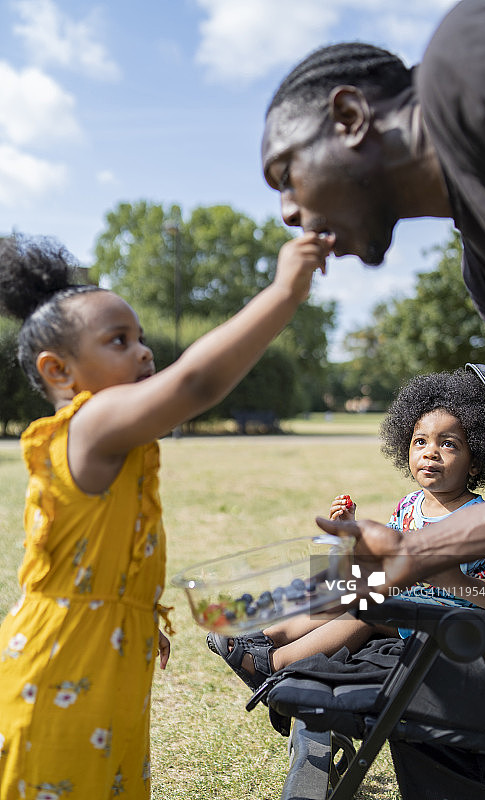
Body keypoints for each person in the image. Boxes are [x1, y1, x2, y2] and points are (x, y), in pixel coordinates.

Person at [0, 230, 332, 798]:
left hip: (107, 662)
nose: (145, 351)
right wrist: (284, 292)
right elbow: (196, 381)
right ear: (59, 372)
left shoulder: (115, 443)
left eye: (142, 337)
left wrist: (137, 614)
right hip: (61, 670)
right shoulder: (90, 425)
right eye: (119, 340)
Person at [260, 0, 485, 594]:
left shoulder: (474, 63)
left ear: (351, 116)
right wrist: (418, 549)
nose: (286, 212)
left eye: (286, 173)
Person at [206, 370, 485, 691]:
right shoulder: (408, 507)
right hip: (406, 605)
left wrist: (457, 581)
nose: (430, 452)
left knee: (365, 611)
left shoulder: (484, 521)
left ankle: (273, 664)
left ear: (475, 462)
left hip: (452, 626)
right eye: (420, 441)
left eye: (449, 444)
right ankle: (268, 638)